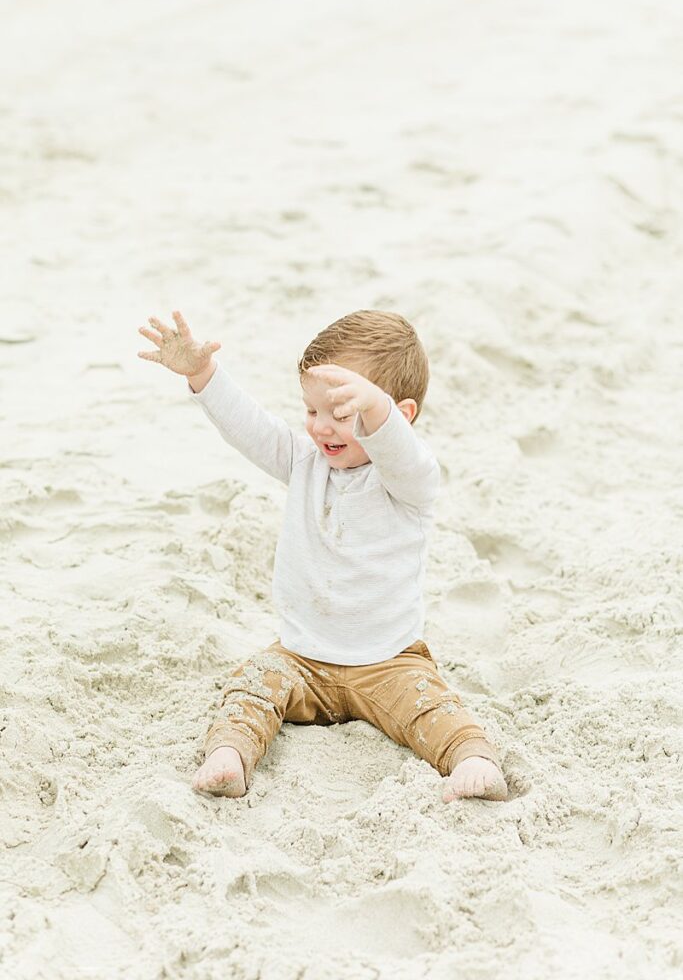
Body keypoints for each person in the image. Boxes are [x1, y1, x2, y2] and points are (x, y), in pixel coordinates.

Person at [137, 309, 508, 803]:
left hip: (387, 660)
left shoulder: (409, 479)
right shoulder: (306, 462)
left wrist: (376, 412)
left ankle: (473, 761)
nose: (321, 427)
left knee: (433, 709)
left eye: (341, 412)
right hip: (302, 655)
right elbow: (251, 427)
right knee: (250, 689)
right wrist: (202, 374)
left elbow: (397, 448)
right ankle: (229, 757)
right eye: (312, 411)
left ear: (401, 414)